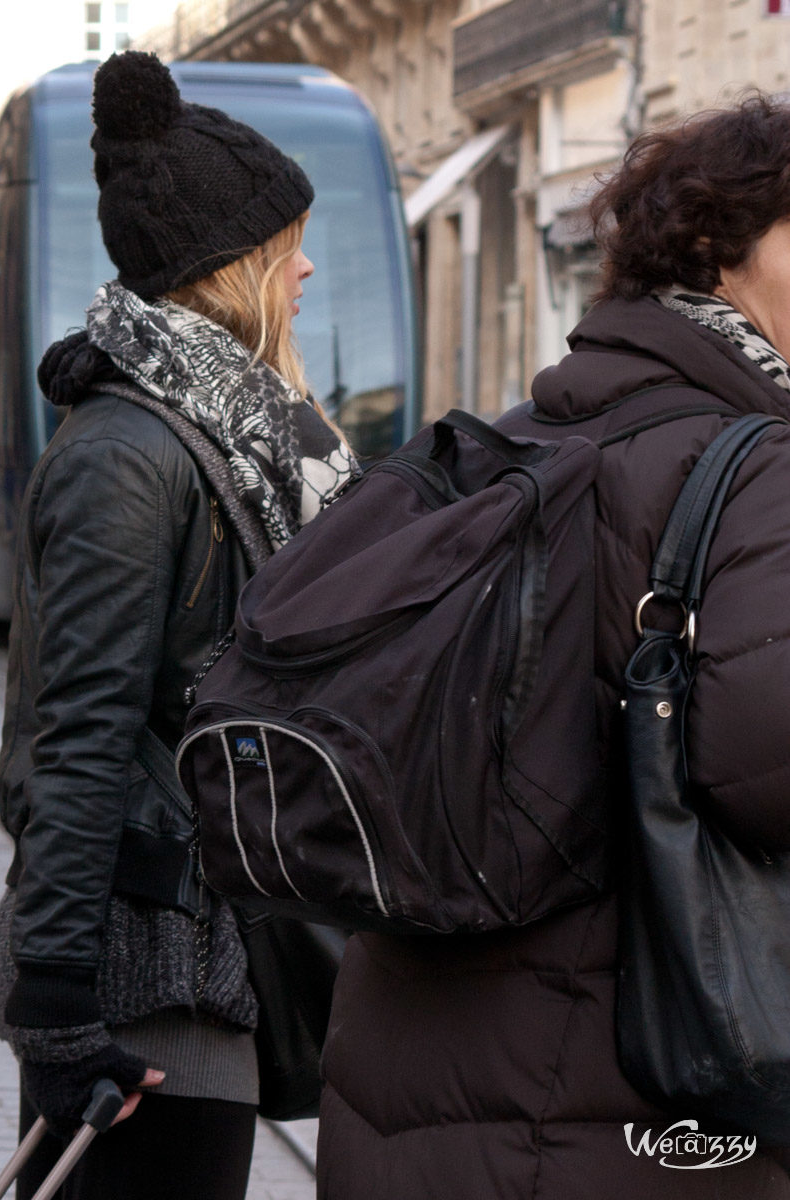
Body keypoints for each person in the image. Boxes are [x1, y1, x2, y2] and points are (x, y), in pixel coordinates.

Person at [317, 93, 790, 1198]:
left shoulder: (517, 435)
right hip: (618, 1095)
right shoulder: (759, 463)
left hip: (413, 1064)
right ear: (722, 252)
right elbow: (764, 767)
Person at [0, 50, 357, 1200]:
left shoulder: (245, 438)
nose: (304, 266)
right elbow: (77, 736)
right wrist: (56, 1002)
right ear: (225, 269)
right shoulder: (127, 453)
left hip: (210, 954)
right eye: (281, 243)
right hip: (144, 978)